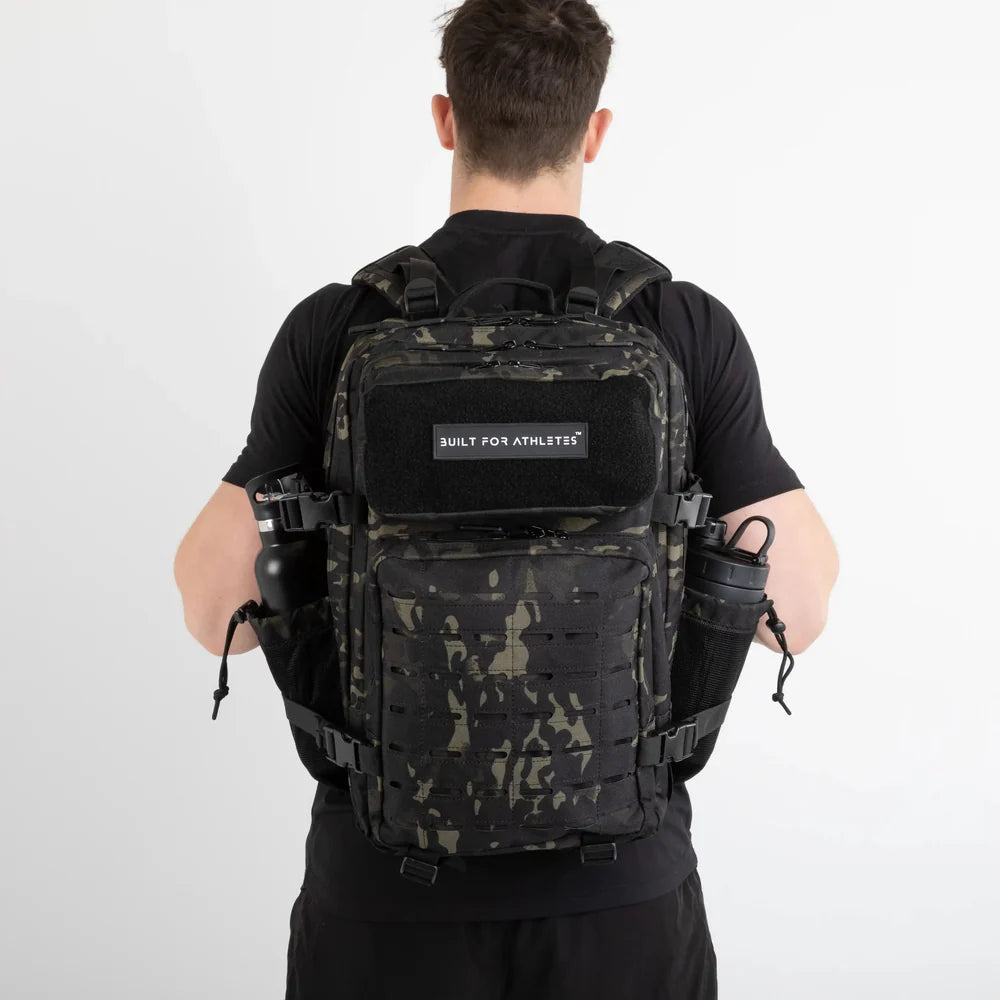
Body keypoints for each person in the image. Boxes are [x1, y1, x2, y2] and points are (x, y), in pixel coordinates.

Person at [173, 1, 839, 997]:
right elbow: (799, 610)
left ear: (446, 119)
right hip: (620, 907)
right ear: (594, 131)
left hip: (383, 906)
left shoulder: (339, 328)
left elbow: (212, 610)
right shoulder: (682, 326)